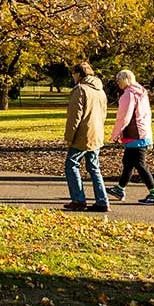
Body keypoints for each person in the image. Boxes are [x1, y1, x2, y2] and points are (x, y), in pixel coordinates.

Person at [107, 69, 154, 205]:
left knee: (140, 165)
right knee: (128, 162)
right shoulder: (141, 93)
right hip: (143, 133)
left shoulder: (128, 95)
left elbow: (123, 117)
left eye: (118, 80)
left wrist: (115, 134)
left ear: (124, 80)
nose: (117, 83)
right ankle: (120, 189)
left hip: (135, 134)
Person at [63, 61, 109, 212]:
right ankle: (102, 200)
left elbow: (74, 117)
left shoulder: (80, 90)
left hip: (82, 134)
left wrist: (69, 137)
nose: (72, 77)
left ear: (78, 74)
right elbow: (104, 113)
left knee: (71, 164)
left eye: (73, 74)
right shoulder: (100, 90)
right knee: (94, 167)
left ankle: (78, 200)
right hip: (96, 133)